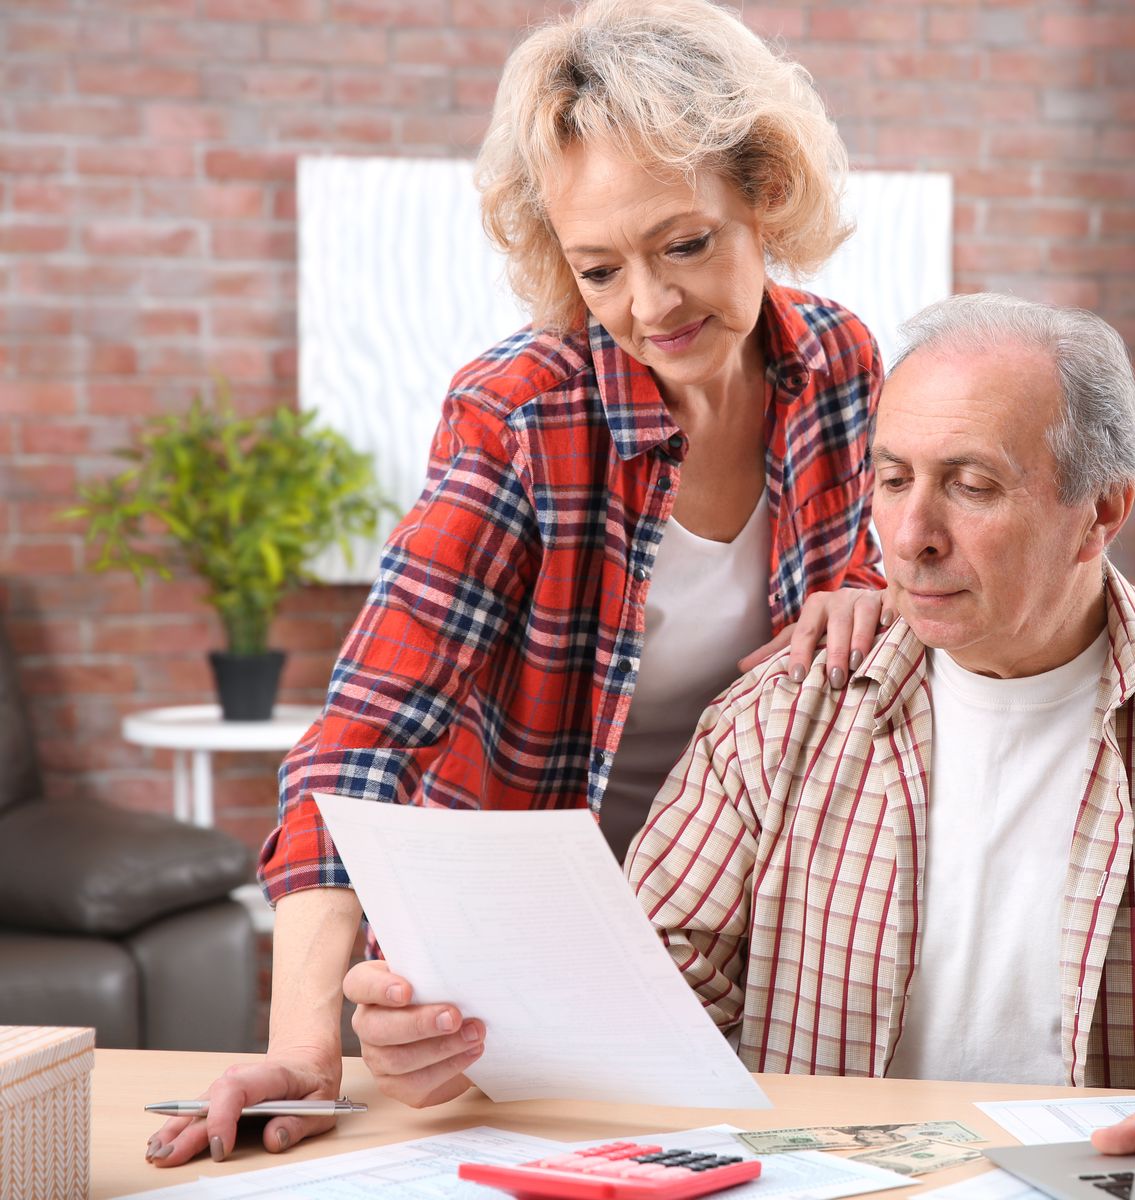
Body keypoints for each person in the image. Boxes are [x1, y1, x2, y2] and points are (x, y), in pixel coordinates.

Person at [340, 295, 1135, 1120]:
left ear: (1100, 512)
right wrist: (463, 1041)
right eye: (894, 478)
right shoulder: (784, 710)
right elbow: (644, 1007)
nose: (907, 539)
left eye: (972, 485)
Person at [149, 0, 888, 1168]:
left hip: (750, 933)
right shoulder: (522, 416)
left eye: (685, 244)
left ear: (766, 195)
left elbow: (863, 574)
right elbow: (360, 747)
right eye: (601, 268)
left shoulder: (835, 363)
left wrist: (866, 582)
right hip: (530, 954)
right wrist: (304, 1047)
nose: (650, 307)